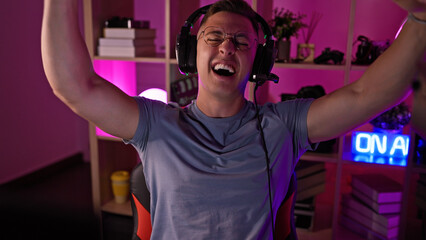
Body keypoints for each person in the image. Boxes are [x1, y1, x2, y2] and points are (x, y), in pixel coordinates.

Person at [42, 0, 426, 239]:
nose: (227, 46)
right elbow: (75, 86)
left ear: (258, 63)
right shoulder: (154, 123)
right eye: (215, 37)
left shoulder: (285, 126)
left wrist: (421, 17)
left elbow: (369, 94)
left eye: (241, 41)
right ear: (192, 54)